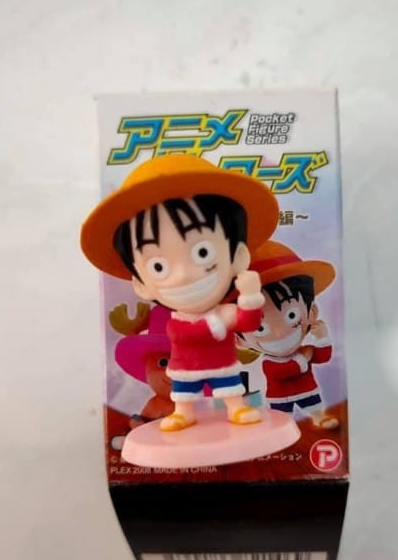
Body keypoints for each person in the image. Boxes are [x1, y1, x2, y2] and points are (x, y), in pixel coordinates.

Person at [80, 154, 278, 431]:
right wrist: (218, 322)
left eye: (202, 253)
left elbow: (249, 323)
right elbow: (183, 335)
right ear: (141, 284)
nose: (184, 275)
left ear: (238, 257)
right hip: (186, 369)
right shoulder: (179, 321)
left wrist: (250, 297)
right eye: (159, 266)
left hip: (223, 365)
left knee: (229, 386)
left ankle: (236, 407)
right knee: (184, 393)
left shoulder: (224, 312)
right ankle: (183, 413)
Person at [238, 240, 340, 430]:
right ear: (239, 340)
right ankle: (282, 426)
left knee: (314, 406)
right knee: (282, 419)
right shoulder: (269, 362)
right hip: (279, 398)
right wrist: (304, 356)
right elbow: (284, 372)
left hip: (308, 391)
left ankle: (319, 417)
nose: (279, 333)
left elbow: (323, 357)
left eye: (292, 315)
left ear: (311, 313)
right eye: (259, 328)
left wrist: (322, 337)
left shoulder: (306, 348)